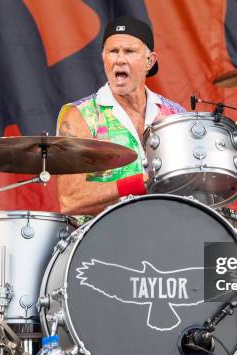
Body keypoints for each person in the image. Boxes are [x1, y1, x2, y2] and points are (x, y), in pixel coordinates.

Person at [56, 16, 185, 216]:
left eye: (130, 51)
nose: (120, 59)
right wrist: (140, 183)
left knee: (230, 241)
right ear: (103, 58)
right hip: (105, 238)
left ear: (150, 61)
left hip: (169, 227)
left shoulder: (174, 114)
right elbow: (71, 200)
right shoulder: (80, 115)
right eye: (113, 51)